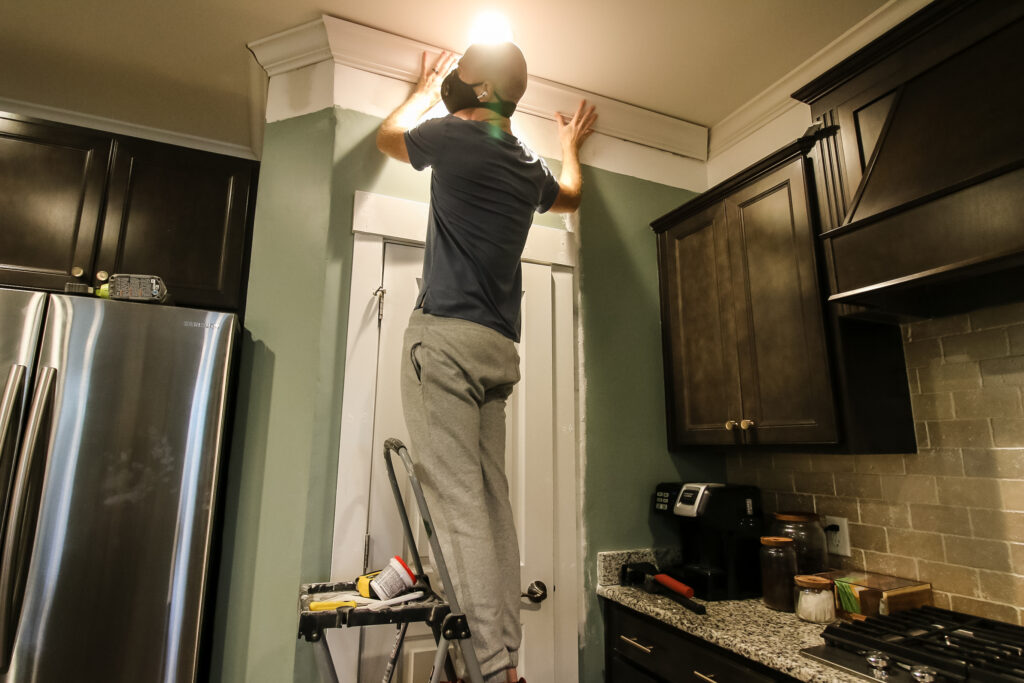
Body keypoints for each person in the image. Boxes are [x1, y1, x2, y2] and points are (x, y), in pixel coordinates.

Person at [376, 42, 596, 683]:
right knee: (491, 502)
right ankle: (503, 655)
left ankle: (492, 669)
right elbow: (573, 196)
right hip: (499, 350)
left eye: (461, 69)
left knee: (457, 501)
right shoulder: (525, 163)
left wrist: (417, 92)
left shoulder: (452, 135)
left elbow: (389, 138)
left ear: (481, 89)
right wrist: (569, 143)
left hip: (444, 339)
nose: (451, 75)